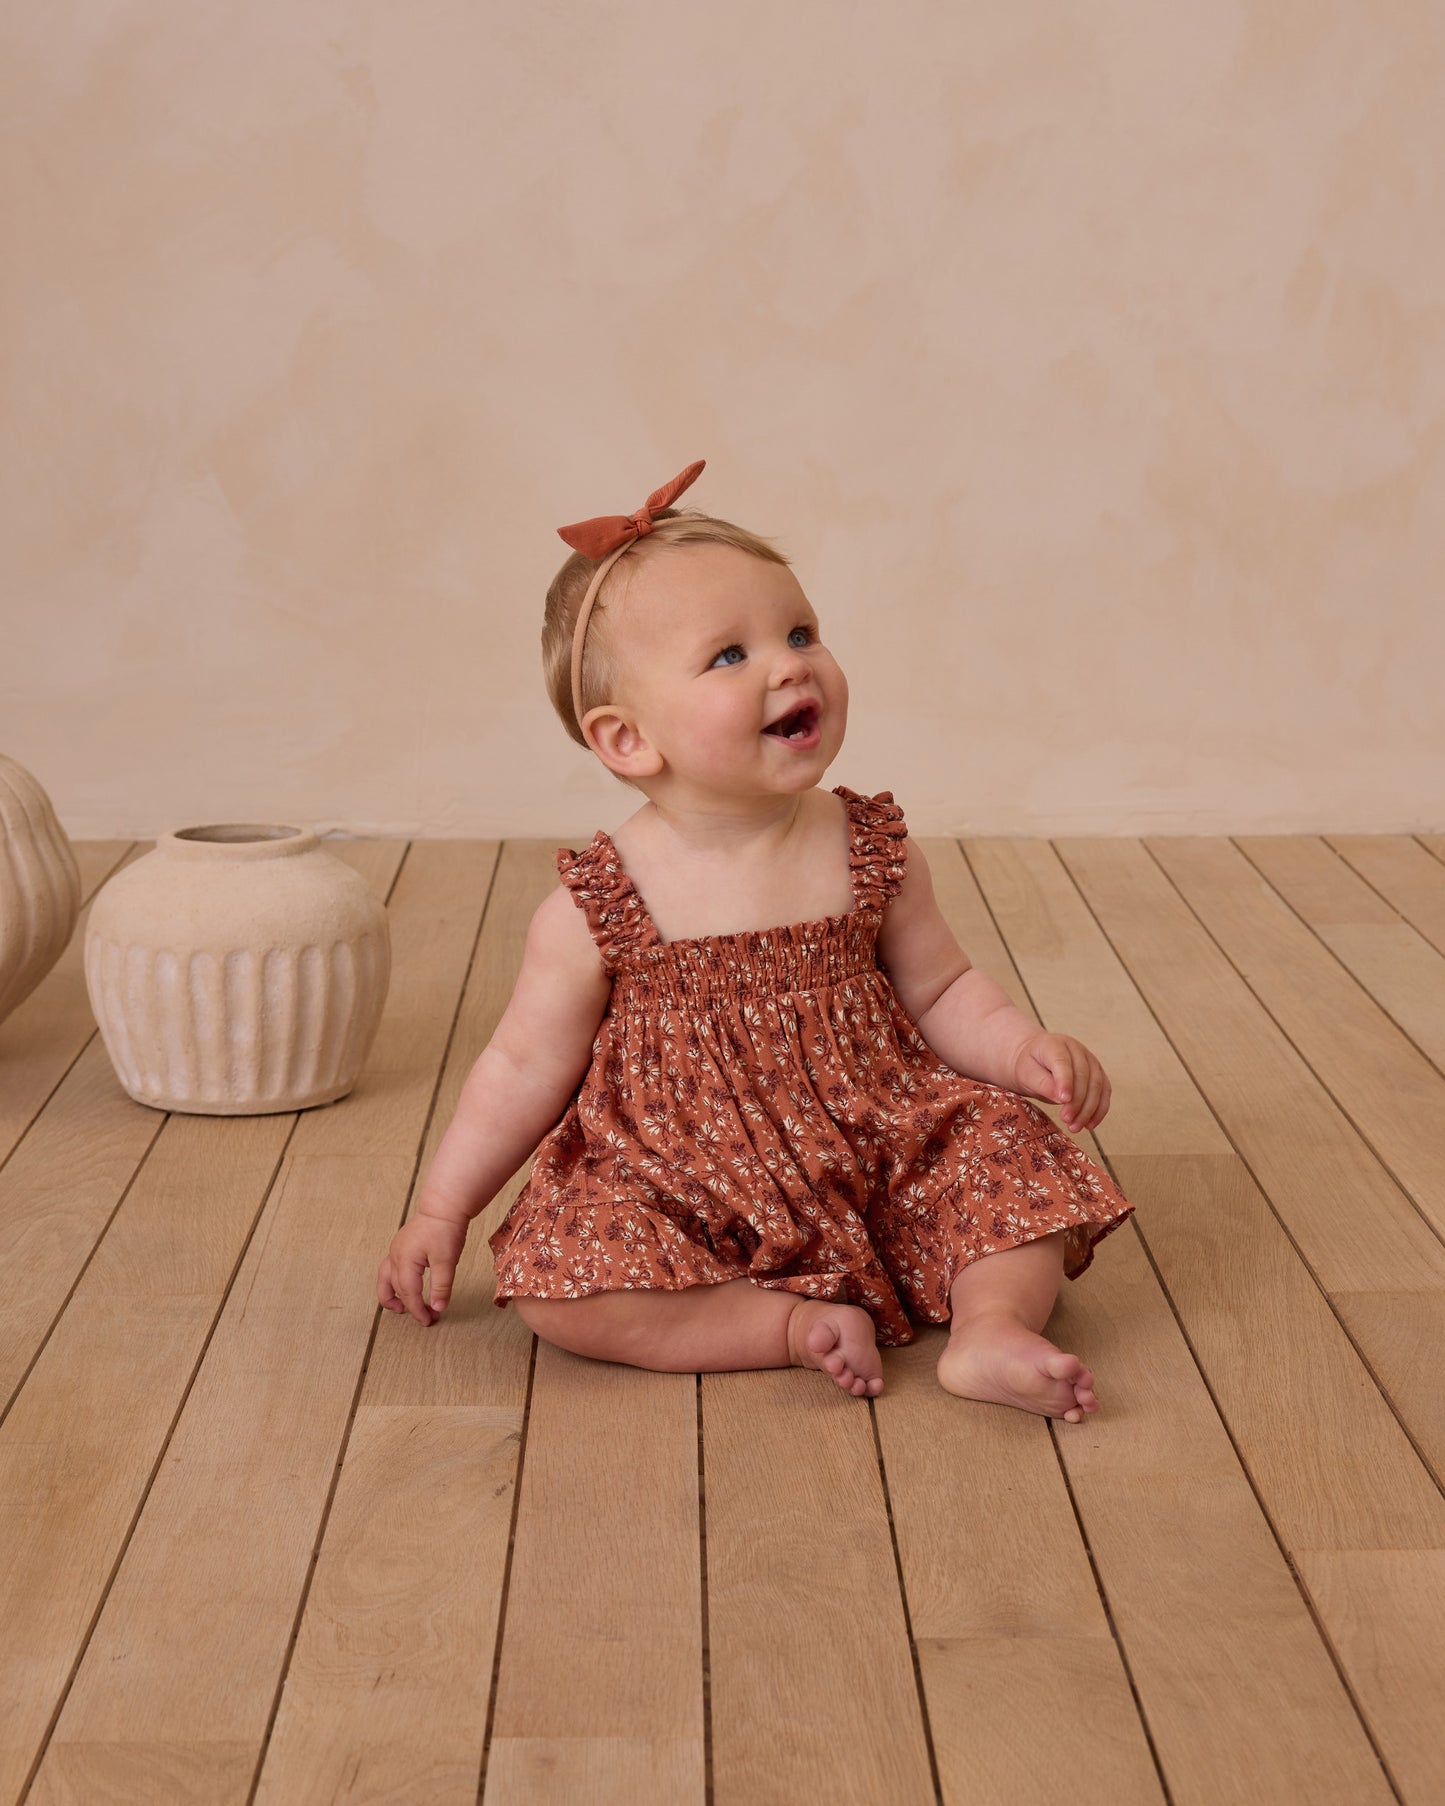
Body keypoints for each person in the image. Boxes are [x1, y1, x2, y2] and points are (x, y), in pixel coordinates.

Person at [376, 459, 1135, 1421]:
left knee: (1006, 1149)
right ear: (627, 740)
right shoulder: (600, 904)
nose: (790, 665)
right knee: (557, 1285)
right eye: (729, 656)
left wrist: (1023, 1051)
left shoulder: (868, 848)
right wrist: (443, 1209)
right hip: (683, 1180)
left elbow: (943, 990)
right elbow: (521, 1065)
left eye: (800, 633)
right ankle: (779, 1325)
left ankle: (990, 1328)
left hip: (880, 1145)